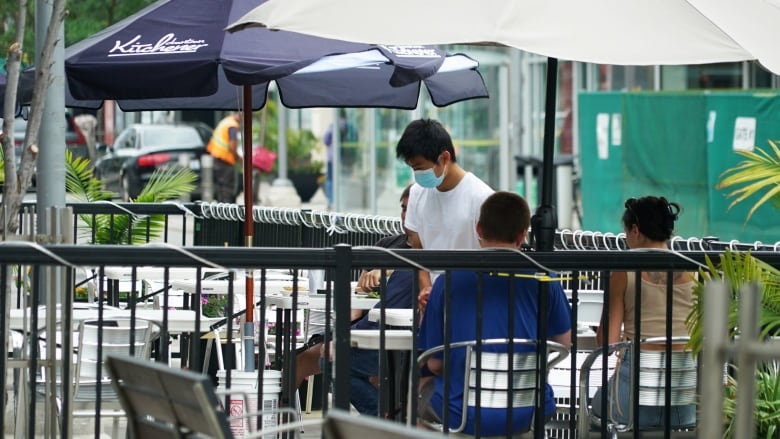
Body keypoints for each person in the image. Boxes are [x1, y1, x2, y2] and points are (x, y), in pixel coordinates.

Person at [417, 191, 572, 436]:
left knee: (420, 388)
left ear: (478, 229)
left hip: (462, 413)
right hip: (529, 410)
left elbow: (435, 364)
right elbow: (563, 344)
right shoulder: (545, 278)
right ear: (523, 235)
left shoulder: (447, 280)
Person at [294, 185, 415, 415]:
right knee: (300, 359)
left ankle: (385, 418)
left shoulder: (431, 251)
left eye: (411, 209)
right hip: (366, 325)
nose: (405, 215)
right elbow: (360, 291)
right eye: (403, 208)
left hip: (393, 336)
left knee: (329, 361)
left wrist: (387, 272)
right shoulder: (388, 245)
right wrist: (343, 330)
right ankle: (279, 418)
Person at [592, 196, 696, 428]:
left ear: (636, 230)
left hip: (630, 405)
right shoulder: (699, 273)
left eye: (626, 233)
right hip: (686, 407)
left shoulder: (624, 273)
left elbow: (606, 343)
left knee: (595, 407)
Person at [395, 119, 494, 316]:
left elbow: (492, 257)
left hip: (473, 304)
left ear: (444, 158)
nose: (417, 174)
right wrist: (426, 290)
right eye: (413, 168)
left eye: (420, 167)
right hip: (432, 305)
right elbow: (418, 251)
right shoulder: (416, 193)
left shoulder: (481, 198)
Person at [207, 113, 241, 203]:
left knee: (221, 186)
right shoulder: (232, 125)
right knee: (227, 187)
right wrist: (238, 158)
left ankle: (221, 210)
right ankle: (227, 210)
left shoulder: (225, 121)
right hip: (225, 159)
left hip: (217, 157)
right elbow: (232, 145)